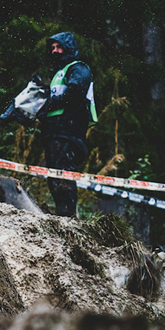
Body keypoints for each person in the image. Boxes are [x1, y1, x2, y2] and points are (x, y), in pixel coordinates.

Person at [35, 32, 97, 217]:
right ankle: (62, 217)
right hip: (55, 132)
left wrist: (48, 105)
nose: (55, 51)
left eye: (59, 47)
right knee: (54, 177)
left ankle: (68, 219)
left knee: (63, 176)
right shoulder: (58, 74)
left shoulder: (79, 68)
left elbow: (75, 92)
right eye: (52, 48)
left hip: (70, 131)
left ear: (68, 47)